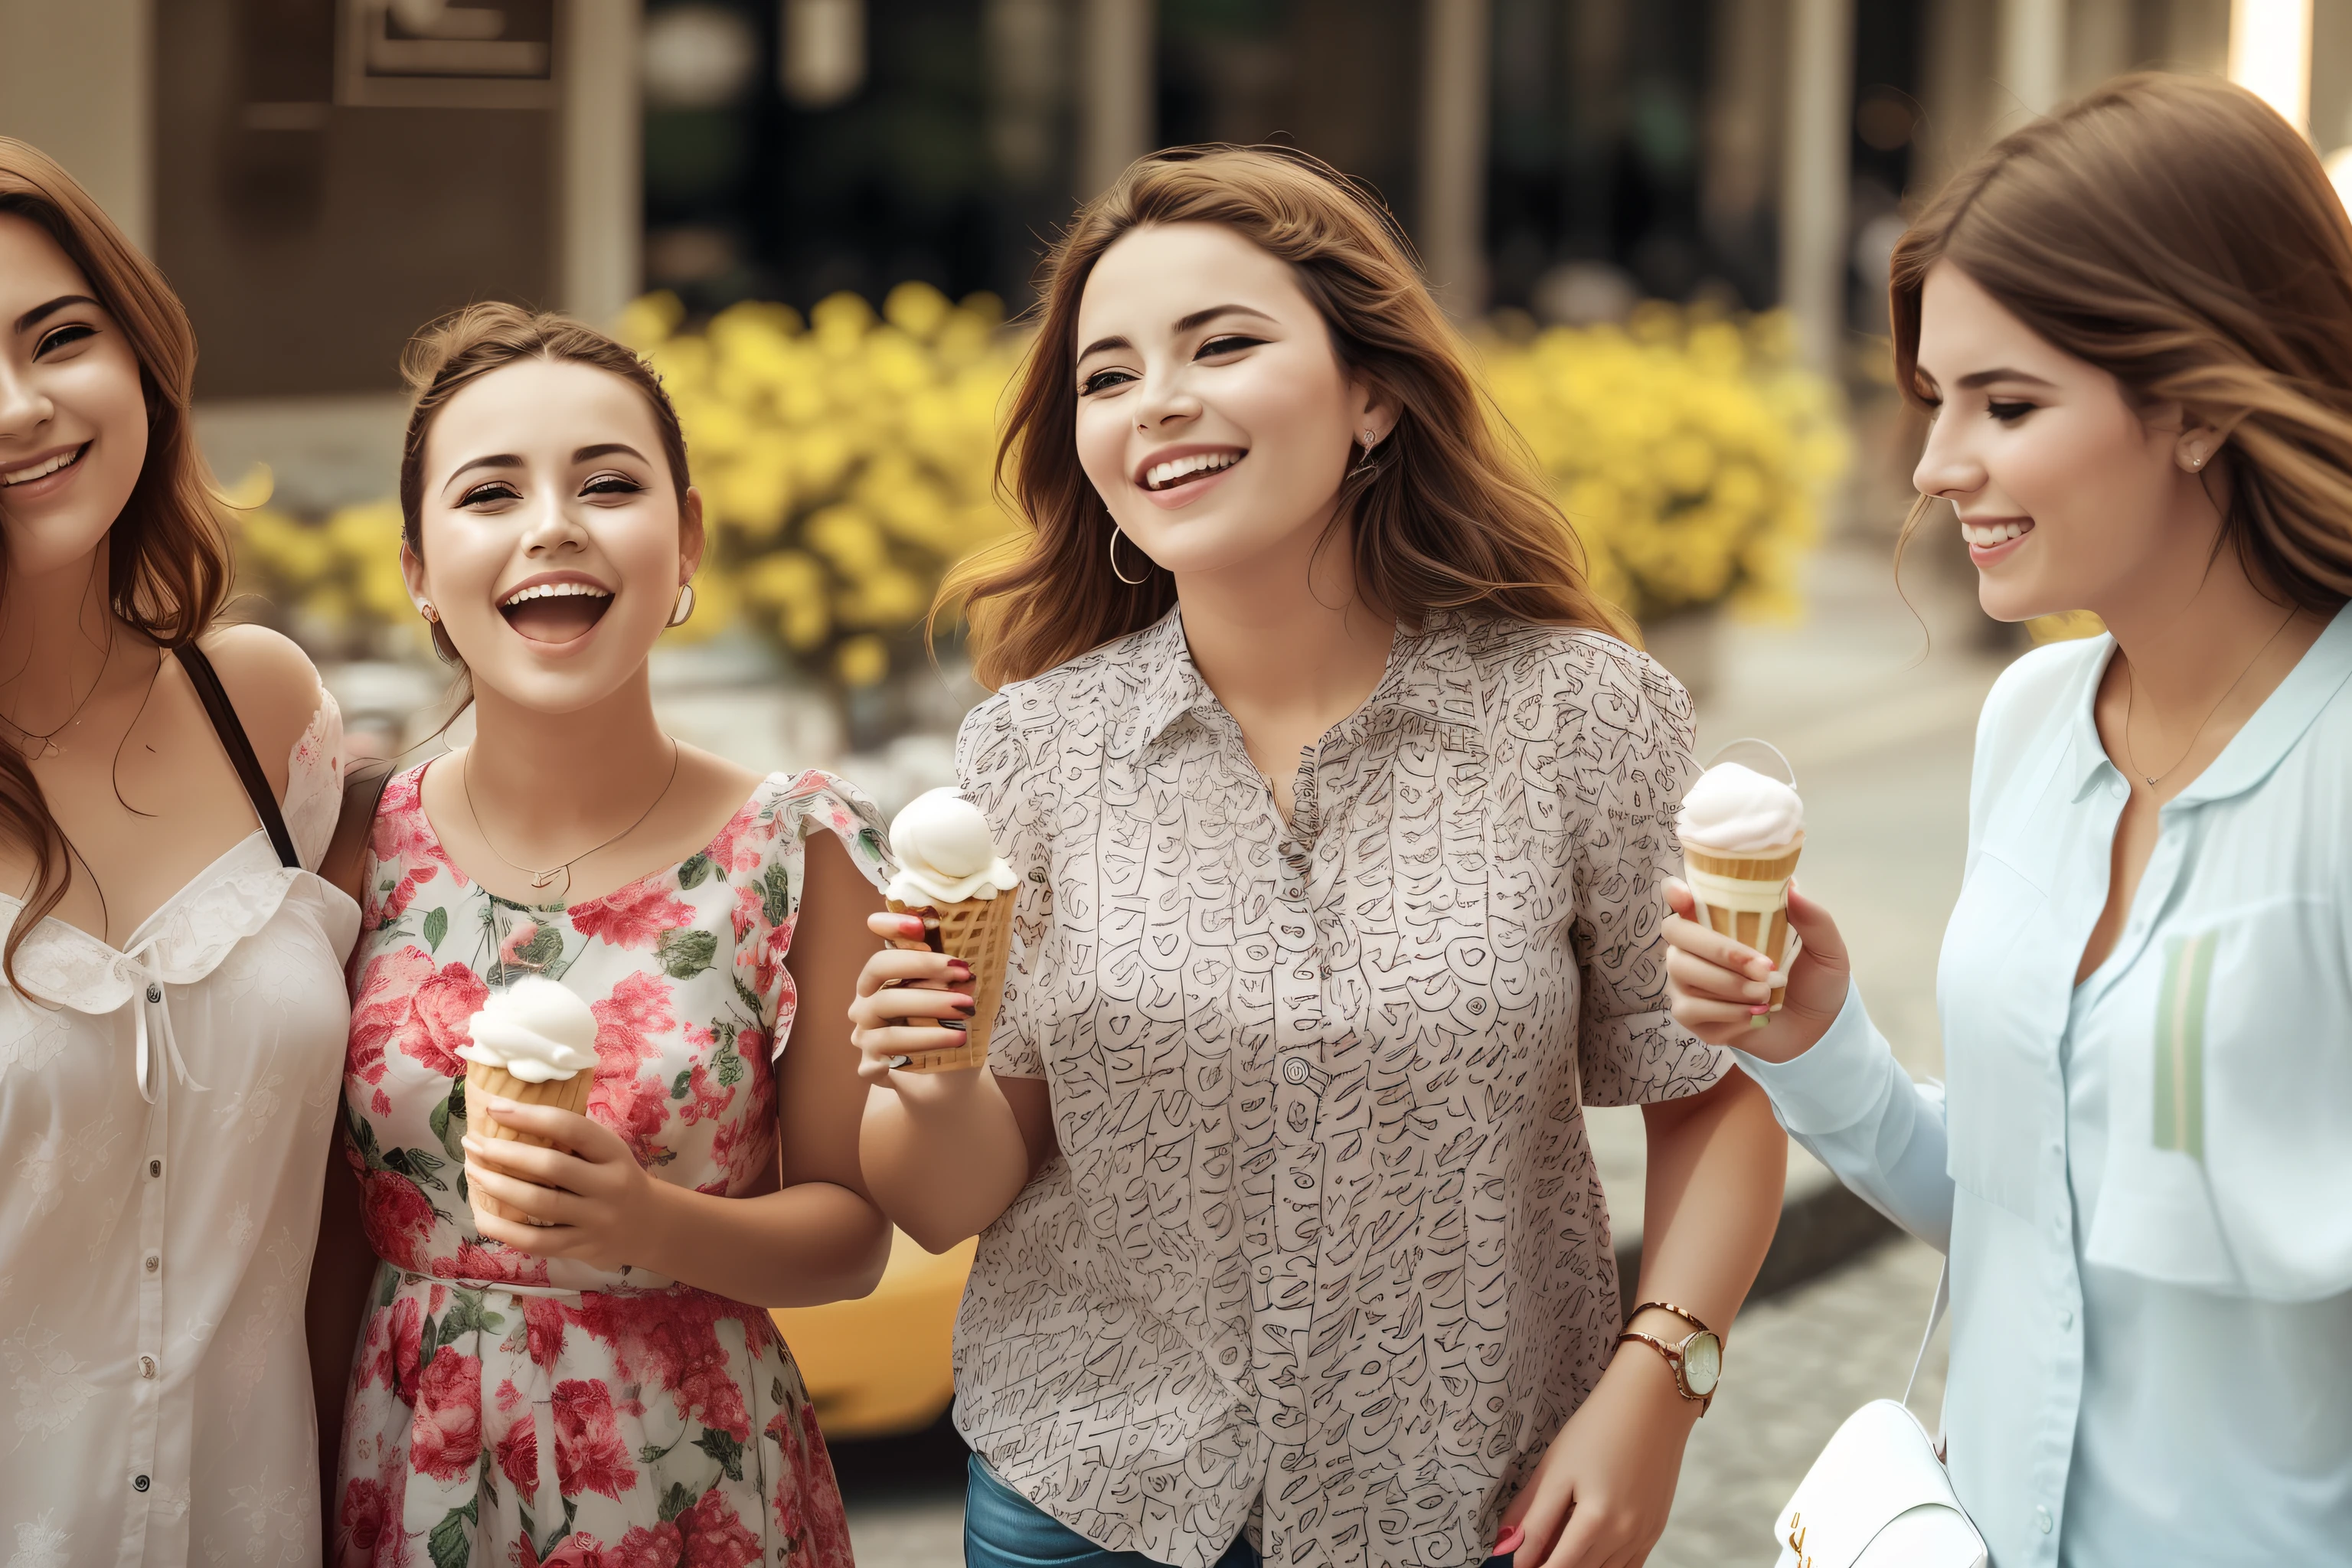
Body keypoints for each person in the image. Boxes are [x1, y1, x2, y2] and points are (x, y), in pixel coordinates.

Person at [848, 146, 1788, 1568]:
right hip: (1095, 1499)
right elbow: (950, 1198)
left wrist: (1656, 1389)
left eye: (1221, 344)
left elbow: (1716, 1088)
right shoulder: (1025, 753)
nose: (1157, 399)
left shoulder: (1580, 714)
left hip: (1480, 1503)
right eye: (1106, 376)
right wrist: (922, 1078)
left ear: (1375, 394)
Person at [1661, 74, 2352, 1566]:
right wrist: (1811, 1041)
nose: (1933, 465)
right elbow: (2024, 1215)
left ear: (2196, 404)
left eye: (2008, 403)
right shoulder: (2031, 728)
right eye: (1934, 400)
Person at [314, 304, 891, 1566]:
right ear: (416, 565)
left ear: (686, 541)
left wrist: (652, 1225)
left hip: (693, 1475)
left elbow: (852, 1232)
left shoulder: (798, 848)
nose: (553, 525)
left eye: (608, 483)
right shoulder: (355, 847)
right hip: (403, 1469)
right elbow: (317, 1241)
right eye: (489, 492)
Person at [0, 140, 356, 1563]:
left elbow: (340, 1205)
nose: (21, 407)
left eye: (59, 338)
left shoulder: (263, 707)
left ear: (140, 353)